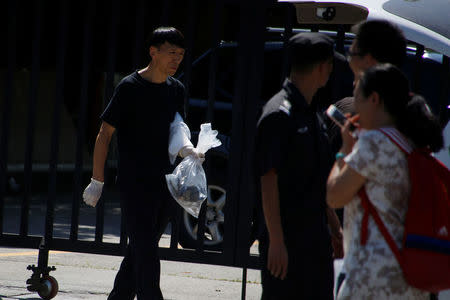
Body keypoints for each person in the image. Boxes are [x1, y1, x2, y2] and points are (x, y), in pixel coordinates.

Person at [82, 27, 201, 300]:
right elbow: (104, 134)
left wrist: (189, 149)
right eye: (172, 53)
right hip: (135, 184)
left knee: (139, 251)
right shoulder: (129, 87)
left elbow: (177, 127)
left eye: (181, 55)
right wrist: (96, 181)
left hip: (166, 184)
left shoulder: (176, 89)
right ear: (153, 52)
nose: (177, 60)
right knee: (146, 253)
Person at [326, 63, 443, 299]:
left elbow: (335, 195)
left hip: (373, 280)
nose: (353, 101)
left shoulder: (374, 143)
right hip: (410, 279)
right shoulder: (410, 143)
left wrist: (344, 150)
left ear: (374, 99)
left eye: (357, 94)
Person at [255, 32, 342, 300]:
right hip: (288, 239)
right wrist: (277, 241)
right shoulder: (279, 114)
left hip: (315, 237)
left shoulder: (311, 112)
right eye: (329, 64)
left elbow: (318, 177)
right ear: (321, 67)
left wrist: (335, 228)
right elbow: (268, 179)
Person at [328, 19, 407, 153]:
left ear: (368, 60)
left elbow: (337, 173)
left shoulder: (370, 131)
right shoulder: (412, 114)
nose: (348, 58)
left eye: (351, 53)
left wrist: (345, 149)